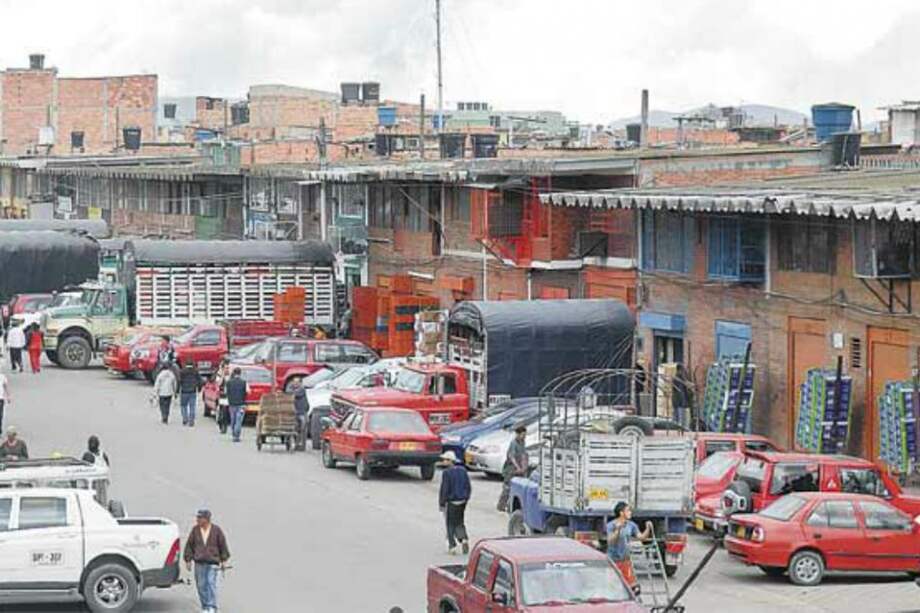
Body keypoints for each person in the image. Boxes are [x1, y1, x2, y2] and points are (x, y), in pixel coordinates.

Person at [183, 509, 230, 613]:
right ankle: (205, 607)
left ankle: (212, 606)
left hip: (213, 562)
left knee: (210, 583)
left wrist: (223, 560)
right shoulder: (195, 530)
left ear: (207, 519)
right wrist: (188, 560)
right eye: (197, 517)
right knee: (201, 585)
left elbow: (222, 545)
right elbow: (190, 545)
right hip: (199, 563)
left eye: (200, 518)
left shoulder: (216, 530)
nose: (197, 520)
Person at [606, 501, 653, 593]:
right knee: (613, 587)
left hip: (625, 560)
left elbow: (641, 537)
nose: (630, 512)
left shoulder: (631, 525)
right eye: (628, 511)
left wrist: (648, 528)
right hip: (613, 560)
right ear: (621, 513)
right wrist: (618, 530)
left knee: (632, 588)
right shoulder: (611, 525)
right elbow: (610, 541)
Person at [439, 451, 471, 555]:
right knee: (460, 522)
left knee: (450, 524)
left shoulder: (447, 473)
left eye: (445, 460)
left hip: (451, 502)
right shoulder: (463, 471)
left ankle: (452, 546)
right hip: (462, 501)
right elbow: (468, 486)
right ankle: (464, 539)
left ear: (450, 461)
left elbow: (444, 489)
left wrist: (442, 503)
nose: (443, 461)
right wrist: (466, 498)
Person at [497, 424, 529, 511]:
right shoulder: (513, 443)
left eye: (525, 435)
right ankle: (501, 505)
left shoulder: (522, 442)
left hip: (519, 468)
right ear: (518, 434)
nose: (524, 436)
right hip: (510, 468)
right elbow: (512, 457)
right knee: (507, 488)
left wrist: (523, 467)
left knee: (517, 488)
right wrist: (518, 467)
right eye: (523, 435)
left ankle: (510, 506)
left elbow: (523, 455)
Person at [225, 368, 248, 442]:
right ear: (240, 373)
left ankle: (234, 433)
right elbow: (248, 391)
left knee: (233, 420)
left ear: (234, 373)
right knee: (239, 420)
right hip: (241, 404)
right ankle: (236, 435)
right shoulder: (244, 382)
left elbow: (226, 392)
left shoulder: (228, 382)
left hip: (232, 404)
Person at [179, 362, 201, 427]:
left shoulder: (182, 371)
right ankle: (191, 421)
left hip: (184, 391)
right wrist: (199, 388)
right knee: (192, 406)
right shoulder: (195, 371)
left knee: (183, 406)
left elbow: (179, 380)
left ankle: (185, 418)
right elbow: (200, 381)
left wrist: (178, 390)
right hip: (193, 391)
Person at [292, 378, 308, 451]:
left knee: (303, 429)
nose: (295, 383)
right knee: (296, 429)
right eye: (294, 382)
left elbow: (296, 394)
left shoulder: (302, 390)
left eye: (297, 382)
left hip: (302, 412)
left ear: (300, 383)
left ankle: (302, 446)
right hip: (296, 413)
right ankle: (297, 444)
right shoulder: (293, 389)